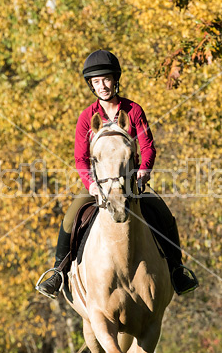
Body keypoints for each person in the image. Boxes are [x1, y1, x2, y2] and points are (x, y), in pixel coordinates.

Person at [36, 50, 199, 298]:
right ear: (91, 85)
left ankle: (177, 270)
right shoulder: (86, 118)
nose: (102, 86)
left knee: (164, 213)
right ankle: (58, 272)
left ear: (116, 80)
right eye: (96, 81)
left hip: (130, 182)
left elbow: (147, 147)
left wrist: (144, 172)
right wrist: (90, 184)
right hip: (99, 184)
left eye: (106, 79)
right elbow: (80, 158)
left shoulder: (133, 111)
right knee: (70, 219)